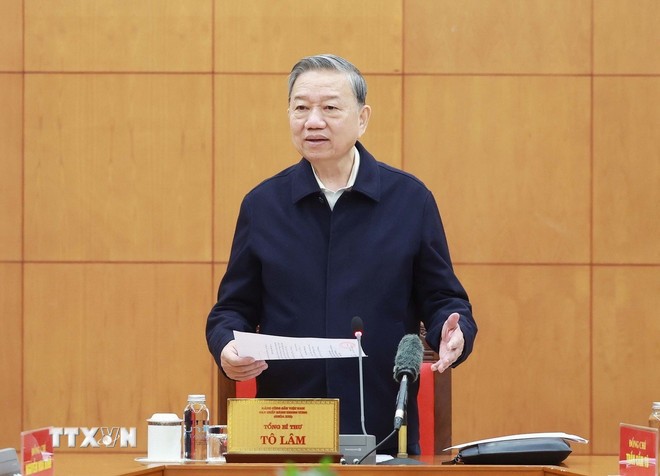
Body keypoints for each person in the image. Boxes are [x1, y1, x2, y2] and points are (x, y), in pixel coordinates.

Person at [206, 53, 477, 456]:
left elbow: (443, 300)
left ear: (363, 118)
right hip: (287, 431)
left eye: (330, 107)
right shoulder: (263, 205)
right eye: (300, 108)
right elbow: (231, 310)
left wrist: (453, 333)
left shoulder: (410, 200)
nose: (313, 121)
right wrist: (226, 345)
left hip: (385, 429)